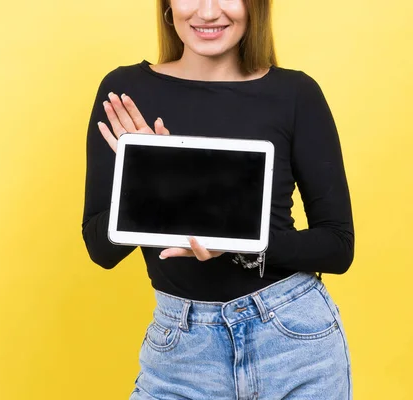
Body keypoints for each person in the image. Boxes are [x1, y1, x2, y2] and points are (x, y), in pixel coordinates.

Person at [81, 0, 354, 399]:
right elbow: (99, 249)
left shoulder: (295, 94)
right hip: (181, 351)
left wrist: (232, 241)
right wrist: (153, 177)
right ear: (168, 5)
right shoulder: (126, 92)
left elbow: (337, 247)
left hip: (292, 337)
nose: (208, 12)